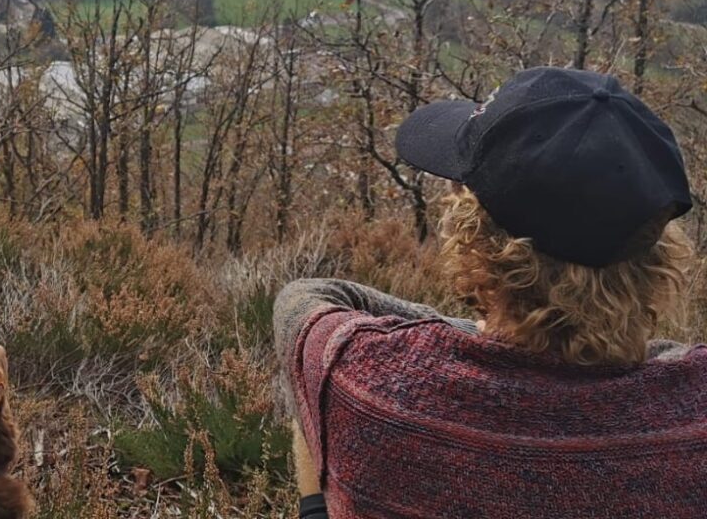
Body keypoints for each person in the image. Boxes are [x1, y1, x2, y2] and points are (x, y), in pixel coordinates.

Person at [274, 67, 707, 518]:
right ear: (657, 251)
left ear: (477, 236)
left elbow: (303, 301)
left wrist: (460, 331)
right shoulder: (694, 409)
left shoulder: (369, 377)